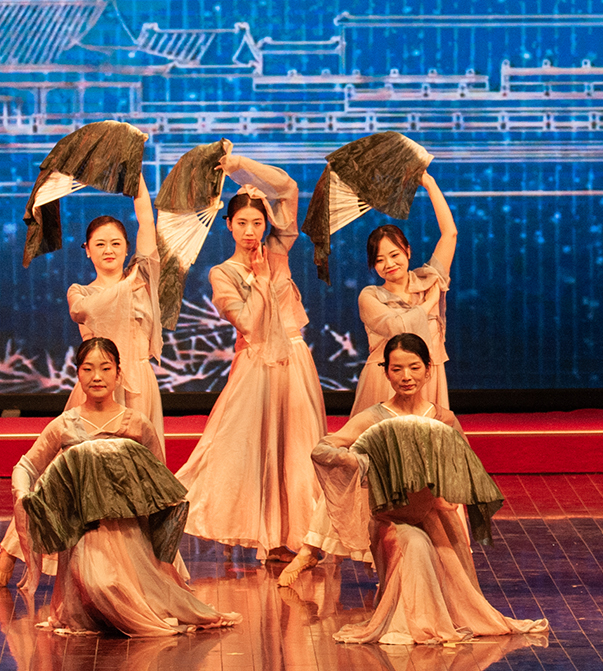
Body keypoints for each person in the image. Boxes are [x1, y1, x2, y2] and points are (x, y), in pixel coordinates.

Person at [305, 333, 549, 645]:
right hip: (392, 519)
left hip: (437, 518)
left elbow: (465, 469)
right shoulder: (375, 417)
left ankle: (435, 618)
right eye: (396, 369)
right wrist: (358, 462)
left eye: (414, 367)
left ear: (428, 370)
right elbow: (323, 449)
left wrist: (445, 489)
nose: (406, 376)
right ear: (386, 372)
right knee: (415, 544)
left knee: (442, 558)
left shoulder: (443, 418)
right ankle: (414, 624)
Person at [0, 173, 163, 587]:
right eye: (100, 244)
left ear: (127, 248)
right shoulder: (80, 293)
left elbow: (146, 218)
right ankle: (14, 550)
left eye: (116, 243)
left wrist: (136, 172)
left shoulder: (144, 280)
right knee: (60, 475)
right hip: (96, 390)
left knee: (143, 478)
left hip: (139, 387)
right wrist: (129, 285)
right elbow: (89, 311)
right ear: (86, 250)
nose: (109, 250)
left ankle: (143, 566)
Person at [8, 337, 238, 636]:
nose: (97, 377)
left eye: (105, 368)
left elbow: (159, 482)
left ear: (118, 373)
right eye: (88, 369)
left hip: (131, 536)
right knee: (101, 585)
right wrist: (23, 494)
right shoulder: (64, 425)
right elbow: (26, 466)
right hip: (85, 535)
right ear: (78, 374)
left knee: (129, 596)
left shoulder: (136, 424)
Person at [173, 154, 326, 562]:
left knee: (298, 449)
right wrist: (258, 281)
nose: (250, 231)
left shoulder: (277, 250)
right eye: (241, 223)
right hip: (255, 363)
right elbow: (246, 322)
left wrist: (239, 166)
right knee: (251, 451)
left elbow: (289, 188)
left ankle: (303, 537)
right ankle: (267, 536)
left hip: (293, 358)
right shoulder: (222, 273)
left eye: (257, 223)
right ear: (228, 225)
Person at [350, 172, 456, 415]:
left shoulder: (428, 280)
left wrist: (429, 183)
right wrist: (429, 303)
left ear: (407, 251)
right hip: (386, 381)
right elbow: (398, 328)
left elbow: (450, 234)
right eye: (379, 259)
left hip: (428, 378)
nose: (389, 264)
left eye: (394, 254)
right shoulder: (370, 296)